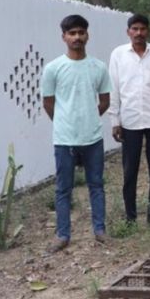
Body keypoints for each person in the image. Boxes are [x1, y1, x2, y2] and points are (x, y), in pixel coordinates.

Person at [40, 14, 111, 253]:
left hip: (93, 138)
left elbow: (105, 100)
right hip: (64, 139)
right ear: (64, 37)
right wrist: (64, 121)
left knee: (96, 185)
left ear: (87, 35)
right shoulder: (53, 69)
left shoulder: (98, 67)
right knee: (63, 189)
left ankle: (100, 230)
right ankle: (62, 235)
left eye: (81, 33)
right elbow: (48, 103)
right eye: (72, 33)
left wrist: (88, 117)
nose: (77, 37)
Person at [108, 13, 150, 225]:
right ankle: (130, 217)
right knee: (130, 171)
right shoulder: (118, 55)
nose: (139, 33)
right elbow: (114, 89)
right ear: (128, 31)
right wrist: (115, 121)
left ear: (148, 31)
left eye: (142, 29)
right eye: (134, 29)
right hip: (129, 121)